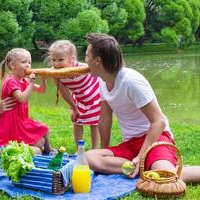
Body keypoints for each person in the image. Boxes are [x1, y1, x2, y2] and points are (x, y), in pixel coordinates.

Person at [85, 33, 200, 183]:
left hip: (155, 138)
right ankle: (144, 168)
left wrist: (140, 157)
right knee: (88, 157)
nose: (85, 61)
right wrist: (104, 150)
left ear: (97, 60)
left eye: (87, 56)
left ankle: (156, 168)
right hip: (130, 144)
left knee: (165, 177)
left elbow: (159, 122)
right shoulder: (102, 82)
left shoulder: (131, 81)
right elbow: (105, 120)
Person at [0, 48, 52, 155]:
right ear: (12, 66)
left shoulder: (24, 80)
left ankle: (49, 152)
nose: (28, 65)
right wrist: (31, 82)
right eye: (23, 62)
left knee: (43, 129)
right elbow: (22, 98)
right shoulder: (10, 81)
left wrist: (43, 79)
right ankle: (43, 152)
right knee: (39, 144)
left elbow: (41, 90)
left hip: (23, 120)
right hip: (13, 124)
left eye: (29, 62)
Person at [48, 40, 101, 149]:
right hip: (79, 97)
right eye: (53, 60)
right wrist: (73, 107)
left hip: (95, 94)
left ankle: (95, 149)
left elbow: (98, 72)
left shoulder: (83, 67)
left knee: (94, 123)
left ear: (72, 59)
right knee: (77, 122)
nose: (56, 64)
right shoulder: (56, 74)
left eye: (60, 60)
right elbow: (64, 92)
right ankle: (79, 149)